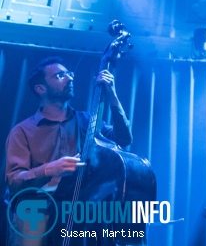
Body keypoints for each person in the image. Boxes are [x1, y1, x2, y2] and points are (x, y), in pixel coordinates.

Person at [4, 56, 132, 245]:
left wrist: (111, 93)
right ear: (41, 89)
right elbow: (15, 181)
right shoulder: (22, 131)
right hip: (36, 205)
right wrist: (49, 170)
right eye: (60, 75)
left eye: (69, 74)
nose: (70, 78)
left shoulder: (88, 122)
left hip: (76, 207)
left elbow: (123, 139)